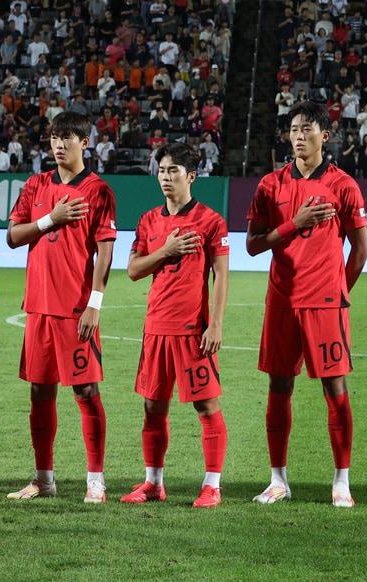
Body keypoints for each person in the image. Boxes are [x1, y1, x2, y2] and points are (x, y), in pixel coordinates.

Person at [245, 101, 367, 507]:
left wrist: (338, 292)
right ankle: (278, 479)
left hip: (325, 305)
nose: (299, 136)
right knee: (279, 387)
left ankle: (341, 482)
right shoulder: (270, 185)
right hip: (282, 301)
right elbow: (252, 246)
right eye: (294, 129)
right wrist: (292, 225)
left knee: (335, 388)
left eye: (307, 129)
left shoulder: (343, 185)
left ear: (325, 136)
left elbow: (361, 249)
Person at [5, 112, 119, 503]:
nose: (58, 144)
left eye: (67, 137)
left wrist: (95, 304)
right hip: (38, 306)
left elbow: (105, 252)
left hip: (75, 309)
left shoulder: (98, 190)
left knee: (86, 391)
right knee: (40, 392)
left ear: (84, 143)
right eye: (54, 137)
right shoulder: (36, 185)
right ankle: (43, 479)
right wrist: (49, 220)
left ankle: (96, 481)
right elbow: (13, 237)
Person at [122, 142, 231, 508]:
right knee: (153, 408)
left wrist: (214, 325)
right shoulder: (149, 220)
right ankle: (154, 482)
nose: (166, 178)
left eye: (173, 171)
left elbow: (221, 276)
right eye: (162, 171)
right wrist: (165, 251)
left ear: (191, 176)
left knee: (206, 407)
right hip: (156, 328)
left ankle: (212, 485)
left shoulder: (211, 221)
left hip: (191, 330)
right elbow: (134, 270)